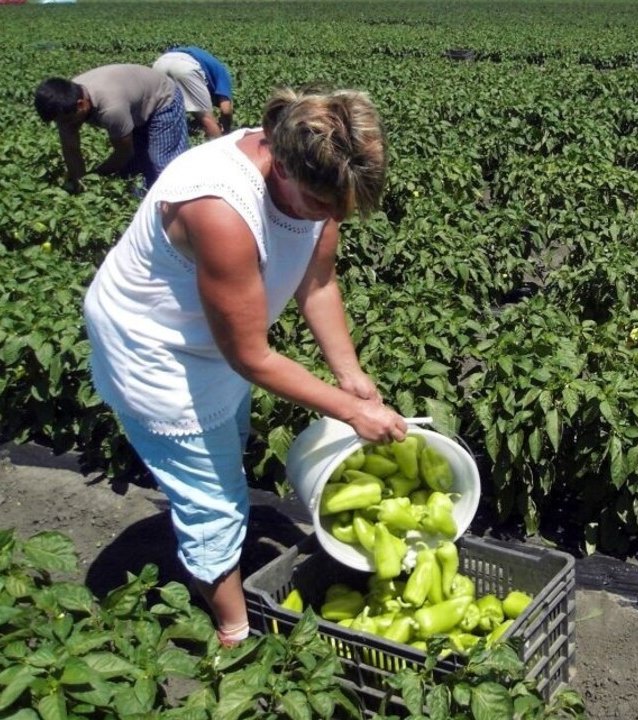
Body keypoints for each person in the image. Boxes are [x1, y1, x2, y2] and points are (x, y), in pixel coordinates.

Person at [82, 86, 408, 647]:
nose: (332, 218)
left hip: (215, 342)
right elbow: (252, 355)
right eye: (323, 206)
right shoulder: (219, 210)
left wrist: (349, 373)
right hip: (155, 350)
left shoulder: (316, 174)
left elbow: (318, 281)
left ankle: (225, 540)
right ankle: (235, 630)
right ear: (279, 166)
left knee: (226, 446)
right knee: (210, 498)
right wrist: (352, 412)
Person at [34, 64, 190, 193]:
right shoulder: (64, 106)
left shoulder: (111, 109)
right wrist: (80, 184)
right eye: (60, 122)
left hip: (161, 98)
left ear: (81, 105)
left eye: (68, 121)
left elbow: (124, 152)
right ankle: (140, 205)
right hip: (134, 104)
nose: (66, 125)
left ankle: (186, 201)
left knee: (162, 164)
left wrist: (96, 175)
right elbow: (71, 149)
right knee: (132, 170)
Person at [153, 46, 235, 139]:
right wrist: (226, 131)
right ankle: (219, 148)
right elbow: (226, 110)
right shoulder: (224, 74)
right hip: (185, 66)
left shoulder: (211, 66)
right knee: (206, 118)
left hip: (160, 63)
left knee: (163, 111)